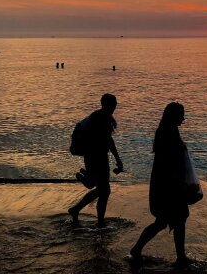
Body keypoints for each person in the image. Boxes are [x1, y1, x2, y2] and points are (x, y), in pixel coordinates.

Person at [130, 102, 194, 267]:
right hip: (168, 185)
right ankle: (180, 258)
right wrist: (181, 183)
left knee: (165, 221)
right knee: (177, 219)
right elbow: (167, 163)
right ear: (174, 116)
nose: (183, 118)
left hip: (165, 183)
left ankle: (138, 249)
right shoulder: (167, 133)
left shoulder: (168, 130)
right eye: (181, 115)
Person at [68, 93, 123, 227]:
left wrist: (116, 158)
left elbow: (107, 140)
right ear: (104, 104)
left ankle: (78, 210)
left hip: (97, 156)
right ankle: (98, 221)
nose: (114, 107)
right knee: (104, 190)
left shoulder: (103, 116)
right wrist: (117, 159)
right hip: (95, 157)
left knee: (103, 190)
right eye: (112, 104)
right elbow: (107, 140)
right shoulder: (100, 117)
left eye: (115, 104)